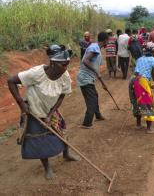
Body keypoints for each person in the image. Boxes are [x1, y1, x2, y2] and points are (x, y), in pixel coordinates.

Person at [7, 44, 79, 180]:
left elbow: (62, 95)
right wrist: (21, 104)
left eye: (67, 64)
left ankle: (66, 154)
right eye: (63, 65)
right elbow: (11, 81)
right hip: (33, 111)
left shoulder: (64, 75)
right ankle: (47, 168)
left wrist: (51, 114)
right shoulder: (36, 73)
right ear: (52, 62)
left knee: (61, 130)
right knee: (40, 139)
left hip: (51, 110)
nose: (66, 68)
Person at [77, 32, 109, 128]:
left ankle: (98, 116)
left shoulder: (96, 48)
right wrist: (96, 71)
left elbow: (96, 70)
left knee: (94, 95)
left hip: (88, 78)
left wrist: (103, 83)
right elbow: (85, 60)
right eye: (108, 40)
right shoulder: (94, 48)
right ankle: (87, 123)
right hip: (85, 78)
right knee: (92, 100)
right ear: (105, 40)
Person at [129, 42, 154, 134]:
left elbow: (139, 73)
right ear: (153, 51)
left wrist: (149, 84)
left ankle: (138, 124)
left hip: (133, 80)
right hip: (142, 83)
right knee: (147, 103)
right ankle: (149, 129)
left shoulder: (140, 59)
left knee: (136, 102)